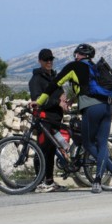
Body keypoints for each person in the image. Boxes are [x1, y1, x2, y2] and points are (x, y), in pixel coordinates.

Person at [34, 43, 112, 194]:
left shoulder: (73, 67)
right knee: (102, 144)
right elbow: (87, 86)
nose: (75, 57)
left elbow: (54, 84)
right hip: (107, 107)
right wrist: (72, 99)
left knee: (88, 144)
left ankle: (100, 180)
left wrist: (38, 102)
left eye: (75, 54)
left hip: (92, 109)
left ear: (79, 55)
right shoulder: (95, 67)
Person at [29, 48, 70, 192]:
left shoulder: (54, 76)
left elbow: (60, 93)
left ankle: (49, 181)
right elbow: (37, 100)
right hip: (44, 120)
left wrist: (63, 98)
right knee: (42, 150)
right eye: (46, 59)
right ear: (40, 61)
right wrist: (57, 102)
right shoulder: (36, 79)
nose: (49, 62)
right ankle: (39, 182)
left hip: (55, 120)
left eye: (51, 59)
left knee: (52, 151)